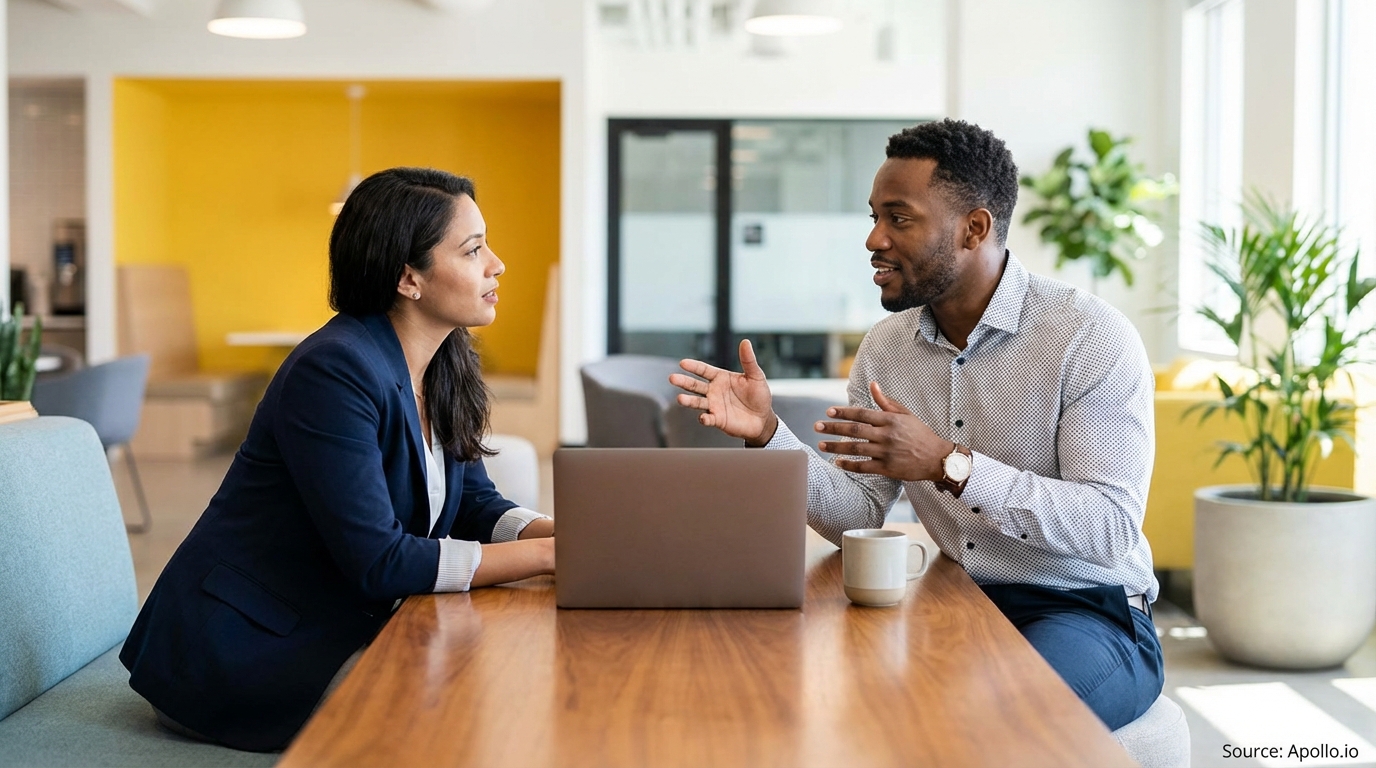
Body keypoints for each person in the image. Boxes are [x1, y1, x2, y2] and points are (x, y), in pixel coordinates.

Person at [670, 119, 1162, 730]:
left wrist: (948, 464)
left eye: (898, 218)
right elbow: (859, 512)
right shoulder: (886, 350)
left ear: (973, 229)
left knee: (999, 723)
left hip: (1086, 609)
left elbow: (1110, 529)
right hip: (958, 597)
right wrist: (770, 435)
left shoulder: (1089, 337)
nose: (874, 238)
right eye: (873, 216)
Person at [120, 167, 555, 751]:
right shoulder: (334, 370)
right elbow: (378, 560)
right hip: (244, 652)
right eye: (474, 249)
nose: (496, 264)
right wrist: (548, 556)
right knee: (464, 713)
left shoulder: (443, 361)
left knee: (494, 692)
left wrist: (562, 533)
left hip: (335, 626)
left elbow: (475, 501)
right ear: (409, 278)